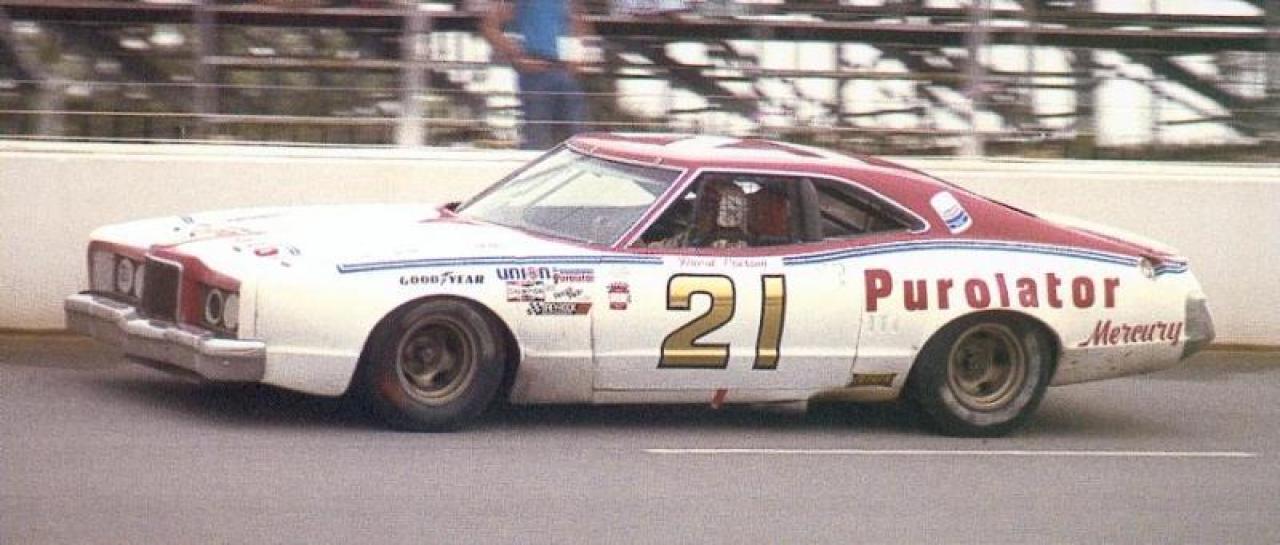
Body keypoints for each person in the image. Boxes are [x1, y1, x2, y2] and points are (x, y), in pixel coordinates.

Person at [480, 0, 594, 150]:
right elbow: (490, 26)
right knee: (537, 138)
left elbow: (578, 22)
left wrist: (576, 58)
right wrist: (517, 56)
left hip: (564, 71)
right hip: (535, 72)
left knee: (580, 135)